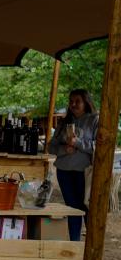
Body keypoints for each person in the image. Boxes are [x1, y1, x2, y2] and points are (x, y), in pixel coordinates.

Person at [48, 89, 98, 241]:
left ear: (86, 102)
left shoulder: (95, 120)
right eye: (71, 101)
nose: (73, 104)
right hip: (64, 172)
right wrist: (64, 149)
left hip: (85, 172)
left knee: (88, 208)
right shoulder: (64, 122)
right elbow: (51, 147)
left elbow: (101, 146)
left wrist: (78, 143)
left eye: (78, 101)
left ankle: (92, 244)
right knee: (73, 209)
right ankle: (74, 243)